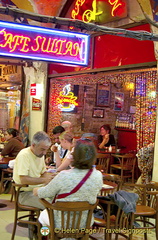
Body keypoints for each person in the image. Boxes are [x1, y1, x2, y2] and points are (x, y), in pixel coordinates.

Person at [33, 138, 103, 227]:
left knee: (42, 215)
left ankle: (45, 235)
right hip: (84, 222)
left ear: (74, 155)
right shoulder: (97, 175)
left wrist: (36, 190)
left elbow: (44, 193)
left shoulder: (64, 175)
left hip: (61, 222)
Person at [13, 131, 54, 209]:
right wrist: (44, 180)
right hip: (24, 194)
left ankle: (47, 220)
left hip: (38, 190)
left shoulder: (39, 154)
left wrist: (50, 179)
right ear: (33, 145)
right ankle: (46, 221)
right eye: (42, 149)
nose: (44, 153)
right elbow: (24, 180)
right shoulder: (24, 155)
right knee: (51, 205)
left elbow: (43, 173)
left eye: (46, 150)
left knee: (60, 200)